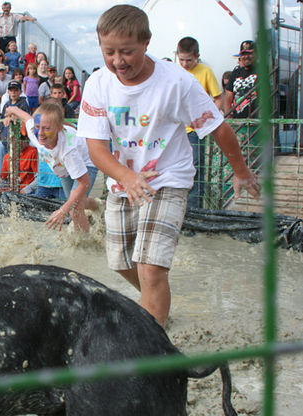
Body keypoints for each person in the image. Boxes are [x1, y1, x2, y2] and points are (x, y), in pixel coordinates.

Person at [77, 4, 260, 326]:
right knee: (120, 262)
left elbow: (217, 126)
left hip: (168, 179)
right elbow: (96, 148)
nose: (118, 61)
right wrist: (127, 177)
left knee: (150, 267)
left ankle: (156, 343)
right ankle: (155, 301)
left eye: (127, 52)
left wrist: (241, 170)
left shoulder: (177, 82)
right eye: (109, 52)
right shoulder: (97, 84)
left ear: (147, 42)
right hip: (124, 182)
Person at [6, 102, 99, 231]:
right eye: (38, 127)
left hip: (86, 161)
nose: (41, 133)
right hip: (62, 167)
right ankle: (97, 205)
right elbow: (27, 118)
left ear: (59, 129)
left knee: (74, 208)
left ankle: (83, 243)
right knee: (75, 202)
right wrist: (12, 110)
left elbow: (84, 183)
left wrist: (62, 211)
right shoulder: (35, 131)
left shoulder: (68, 150)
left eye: (47, 128)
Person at [176, 36, 222, 209]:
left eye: (189, 60)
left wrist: (206, 121)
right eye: (181, 60)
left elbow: (218, 98)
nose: (185, 64)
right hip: (177, 128)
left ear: (197, 56)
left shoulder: (206, 72)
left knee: (196, 168)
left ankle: (195, 209)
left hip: (195, 131)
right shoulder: (176, 71)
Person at [224, 40, 258, 119]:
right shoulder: (236, 73)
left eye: (249, 53)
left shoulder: (262, 71)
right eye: (243, 54)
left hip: (256, 123)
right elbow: (228, 98)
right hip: (238, 122)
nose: (246, 56)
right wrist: (228, 120)